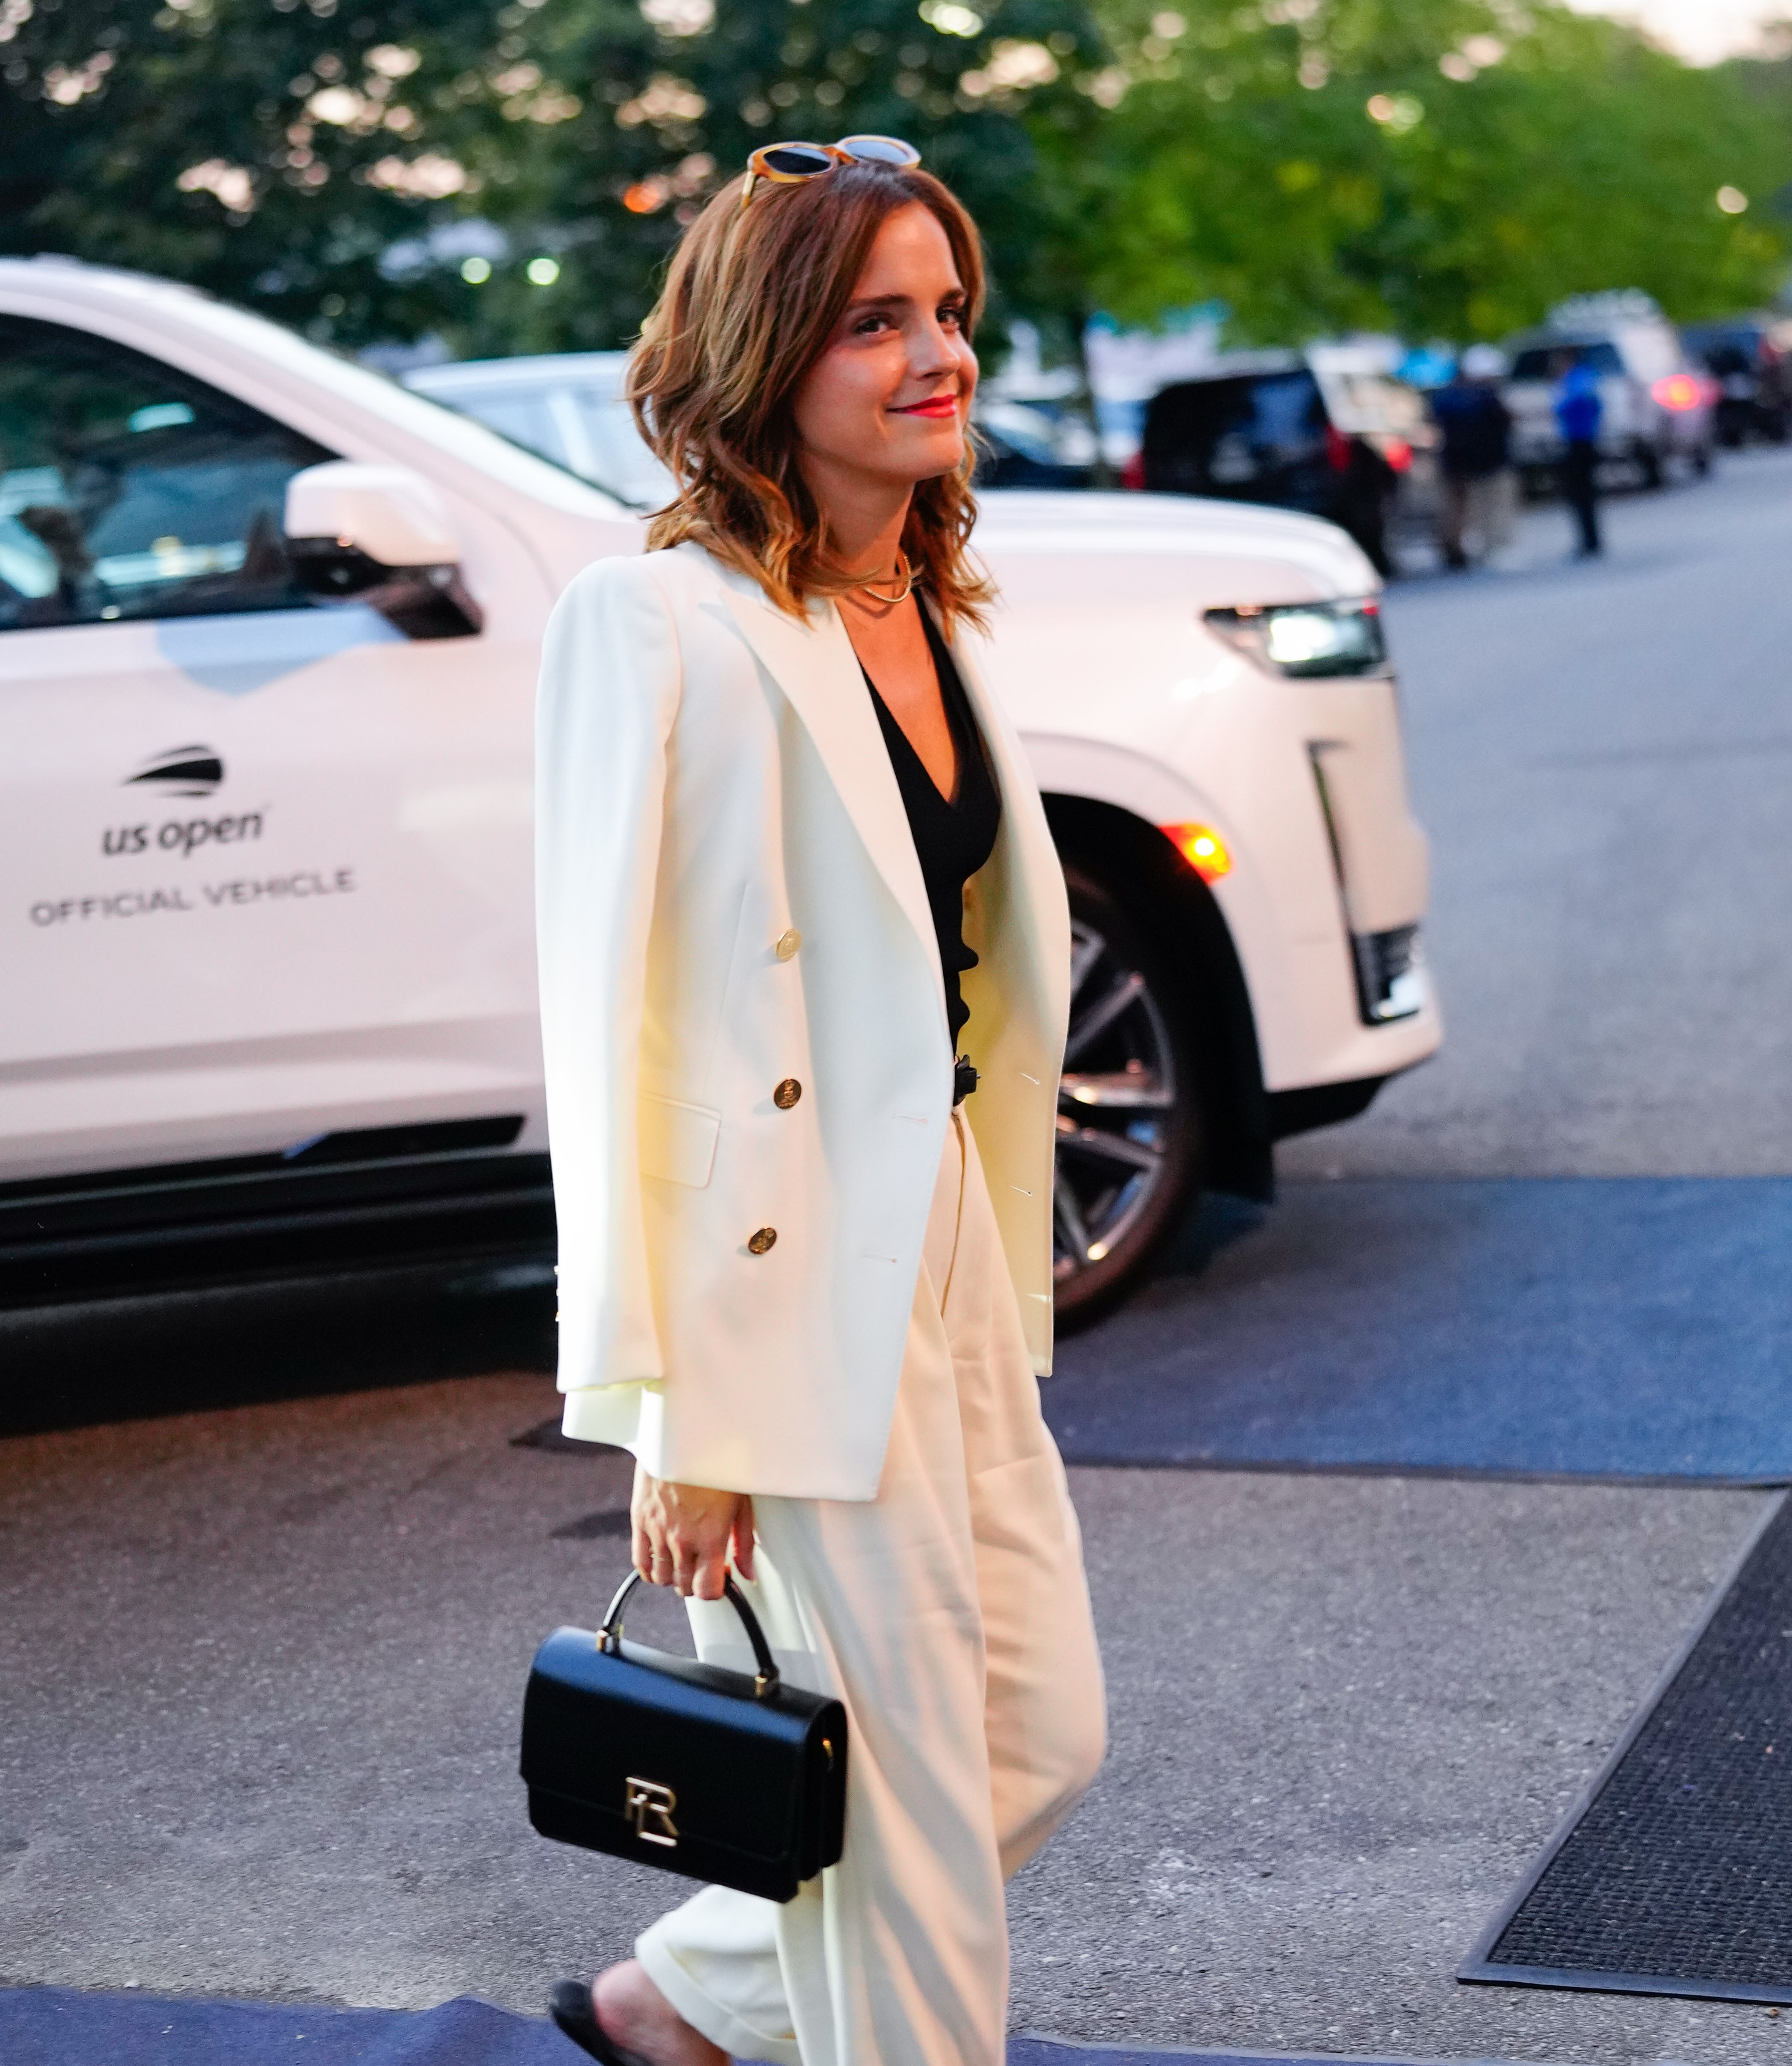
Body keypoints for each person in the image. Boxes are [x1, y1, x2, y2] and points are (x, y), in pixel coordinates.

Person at [533, 137, 1107, 2066]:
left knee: (1031, 1732)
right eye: (876, 319)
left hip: (939, 1224)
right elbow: (619, 1025)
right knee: (912, 1825)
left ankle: (676, 1997)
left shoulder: (931, 605)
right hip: (774, 1290)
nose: (934, 352)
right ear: (768, 351)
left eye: (945, 310)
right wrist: (673, 1405)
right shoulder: (657, 623)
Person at [1428, 344, 1515, 570]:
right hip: (1489, 461)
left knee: (1458, 510)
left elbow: (1434, 424)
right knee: (1492, 507)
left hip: (1455, 462)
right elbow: (1505, 422)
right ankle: (1492, 547)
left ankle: (1454, 549)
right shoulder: (1486, 396)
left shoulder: (1445, 397)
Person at [1553, 348, 1604, 558]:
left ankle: (1590, 541)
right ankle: (1589, 539)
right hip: (1580, 439)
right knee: (1582, 494)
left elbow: (1571, 406)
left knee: (1581, 493)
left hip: (1580, 441)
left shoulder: (1577, 380)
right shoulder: (1580, 379)